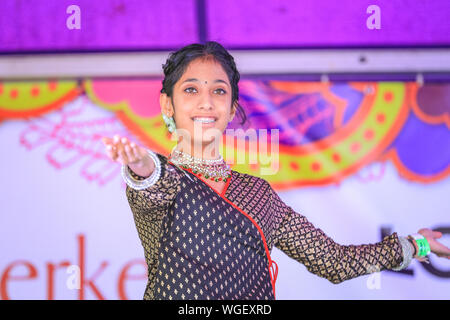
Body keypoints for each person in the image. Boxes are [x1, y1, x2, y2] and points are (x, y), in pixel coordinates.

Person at [102, 41, 450, 300]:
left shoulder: (258, 194)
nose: (206, 102)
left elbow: (334, 262)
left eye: (218, 91)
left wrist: (417, 244)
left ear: (231, 106)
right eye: (191, 89)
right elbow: (152, 186)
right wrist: (141, 166)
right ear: (168, 104)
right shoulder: (167, 181)